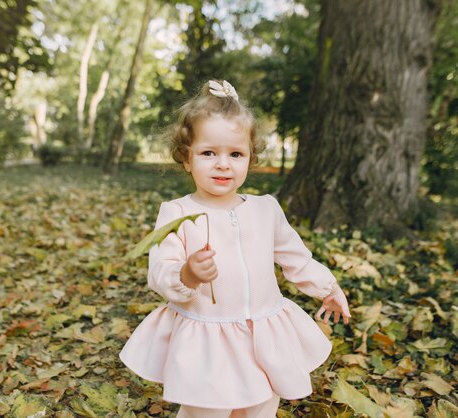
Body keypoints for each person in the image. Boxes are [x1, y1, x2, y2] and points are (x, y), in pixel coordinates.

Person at [120, 79, 351, 417]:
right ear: (187, 158)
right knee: (207, 409)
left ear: (250, 158)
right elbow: (160, 272)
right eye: (208, 152)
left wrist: (327, 288)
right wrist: (187, 273)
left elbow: (296, 259)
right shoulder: (178, 212)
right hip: (207, 338)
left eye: (236, 154)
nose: (223, 164)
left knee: (260, 405)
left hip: (263, 335)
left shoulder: (265, 208)